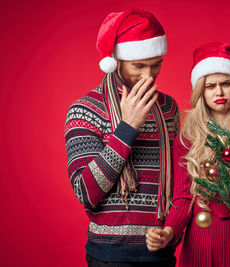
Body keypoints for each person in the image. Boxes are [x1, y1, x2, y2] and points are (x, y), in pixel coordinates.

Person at [145, 42, 230, 266]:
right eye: (210, 86)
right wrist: (168, 231)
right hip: (200, 238)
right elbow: (183, 197)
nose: (218, 92)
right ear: (200, 91)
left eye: (226, 83)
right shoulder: (187, 138)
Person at [64, 9, 179, 267]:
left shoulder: (169, 108)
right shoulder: (85, 109)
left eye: (156, 64)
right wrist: (127, 127)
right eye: (139, 66)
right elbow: (86, 192)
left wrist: (172, 232)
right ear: (118, 60)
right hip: (109, 257)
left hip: (161, 253)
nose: (149, 76)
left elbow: (181, 184)